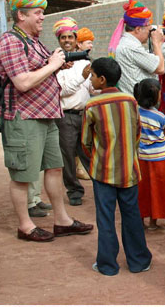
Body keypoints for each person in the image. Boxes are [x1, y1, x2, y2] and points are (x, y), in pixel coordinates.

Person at [0, 0, 93, 241]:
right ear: (21, 16)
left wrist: (57, 65)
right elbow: (23, 82)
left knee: (55, 168)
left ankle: (62, 220)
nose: (42, 18)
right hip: (24, 117)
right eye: (37, 13)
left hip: (47, 115)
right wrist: (53, 65)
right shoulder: (10, 41)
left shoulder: (33, 42)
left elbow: (44, 71)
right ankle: (25, 226)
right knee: (23, 175)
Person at [81, 57, 152, 276]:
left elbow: (85, 141)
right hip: (129, 170)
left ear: (102, 80)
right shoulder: (130, 101)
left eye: (92, 75)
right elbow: (137, 132)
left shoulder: (92, 105)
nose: (90, 78)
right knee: (131, 215)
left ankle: (107, 265)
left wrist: (98, 158)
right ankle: (138, 261)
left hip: (103, 171)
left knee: (105, 218)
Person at [53, 16, 92, 206]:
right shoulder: (55, 63)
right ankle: (74, 191)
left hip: (85, 115)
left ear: (76, 39)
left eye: (70, 37)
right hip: (66, 117)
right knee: (68, 156)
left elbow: (92, 88)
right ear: (59, 40)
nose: (67, 41)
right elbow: (61, 91)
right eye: (63, 38)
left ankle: (102, 187)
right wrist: (82, 78)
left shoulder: (84, 61)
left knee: (89, 153)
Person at [133, 78, 165, 230]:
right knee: (157, 190)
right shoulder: (159, 116)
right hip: (159, 159)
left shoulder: (135, 112)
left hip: (141, 157)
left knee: (142, 189)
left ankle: (140, 219)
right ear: (157, 96)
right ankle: (153, 221)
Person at [111, 0, 165, 95]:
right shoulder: (131, 47)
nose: (150, 30)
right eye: (148, 26)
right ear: (138, 29)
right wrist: (157, 43)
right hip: (137, 104)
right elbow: (160, 69)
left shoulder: (126, 43)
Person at [75, 27, 95, 180]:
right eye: (88, 42)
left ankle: (83, 168)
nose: (91, 46)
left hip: (85, 109)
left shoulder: (87, 62)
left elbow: (91, 88)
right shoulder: (68, 63)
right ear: (79, 44)